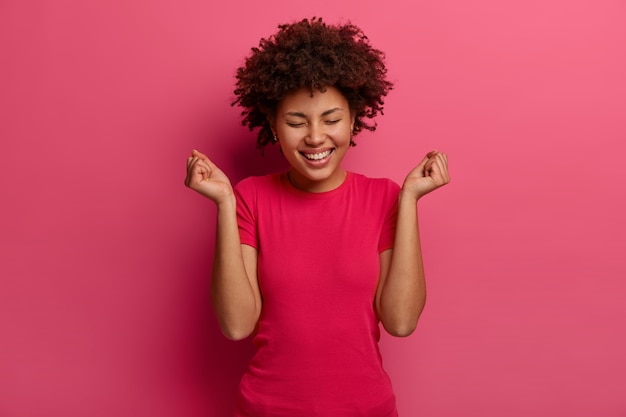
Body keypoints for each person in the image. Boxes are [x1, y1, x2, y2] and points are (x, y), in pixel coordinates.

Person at [185, 17, 450, 417]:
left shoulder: (385, 197)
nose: (314, 137)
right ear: (274, 126)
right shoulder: (249, 198)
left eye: (331, 119)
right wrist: (223, 202)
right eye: (296, 122)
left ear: (355, 120)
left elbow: (400, 321)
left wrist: (410, 199)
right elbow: (237, 325)